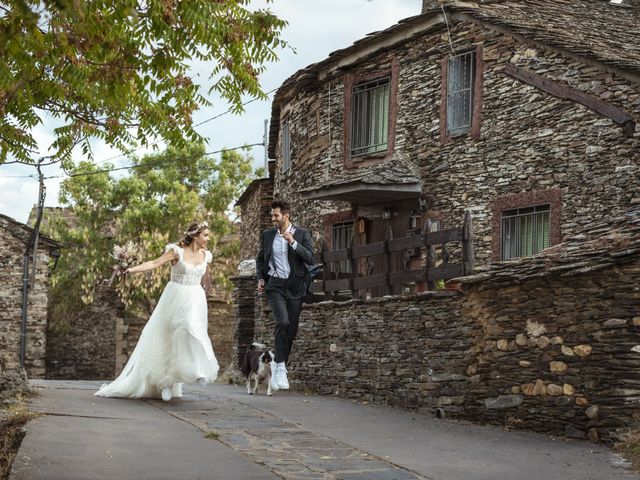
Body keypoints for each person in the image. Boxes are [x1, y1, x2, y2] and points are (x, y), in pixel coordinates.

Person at [95, 221, 219, 401]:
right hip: (175, 296)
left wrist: (207, 292)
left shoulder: (206, 256)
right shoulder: (176, 252)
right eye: (205, 235)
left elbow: (206, 279)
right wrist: (131, 270)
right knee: (170, 339)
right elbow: (154, 262)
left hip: (195, 299)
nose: (208, 238)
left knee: (194, 329)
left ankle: (199, 369)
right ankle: (166, 384)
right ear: (195, 236)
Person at [256, 200, 314, 390]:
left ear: (286, 215)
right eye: (272, 215)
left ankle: (280, 363)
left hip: (295, 287)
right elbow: (260, 259)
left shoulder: (302, 234)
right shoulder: (268, 235)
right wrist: (261, 279)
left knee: (291, 330)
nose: (273, 219)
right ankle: (280, 367)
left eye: (276, 216)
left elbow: (310, 258)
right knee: (283, 322)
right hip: (275, 285)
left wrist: (293, 242)